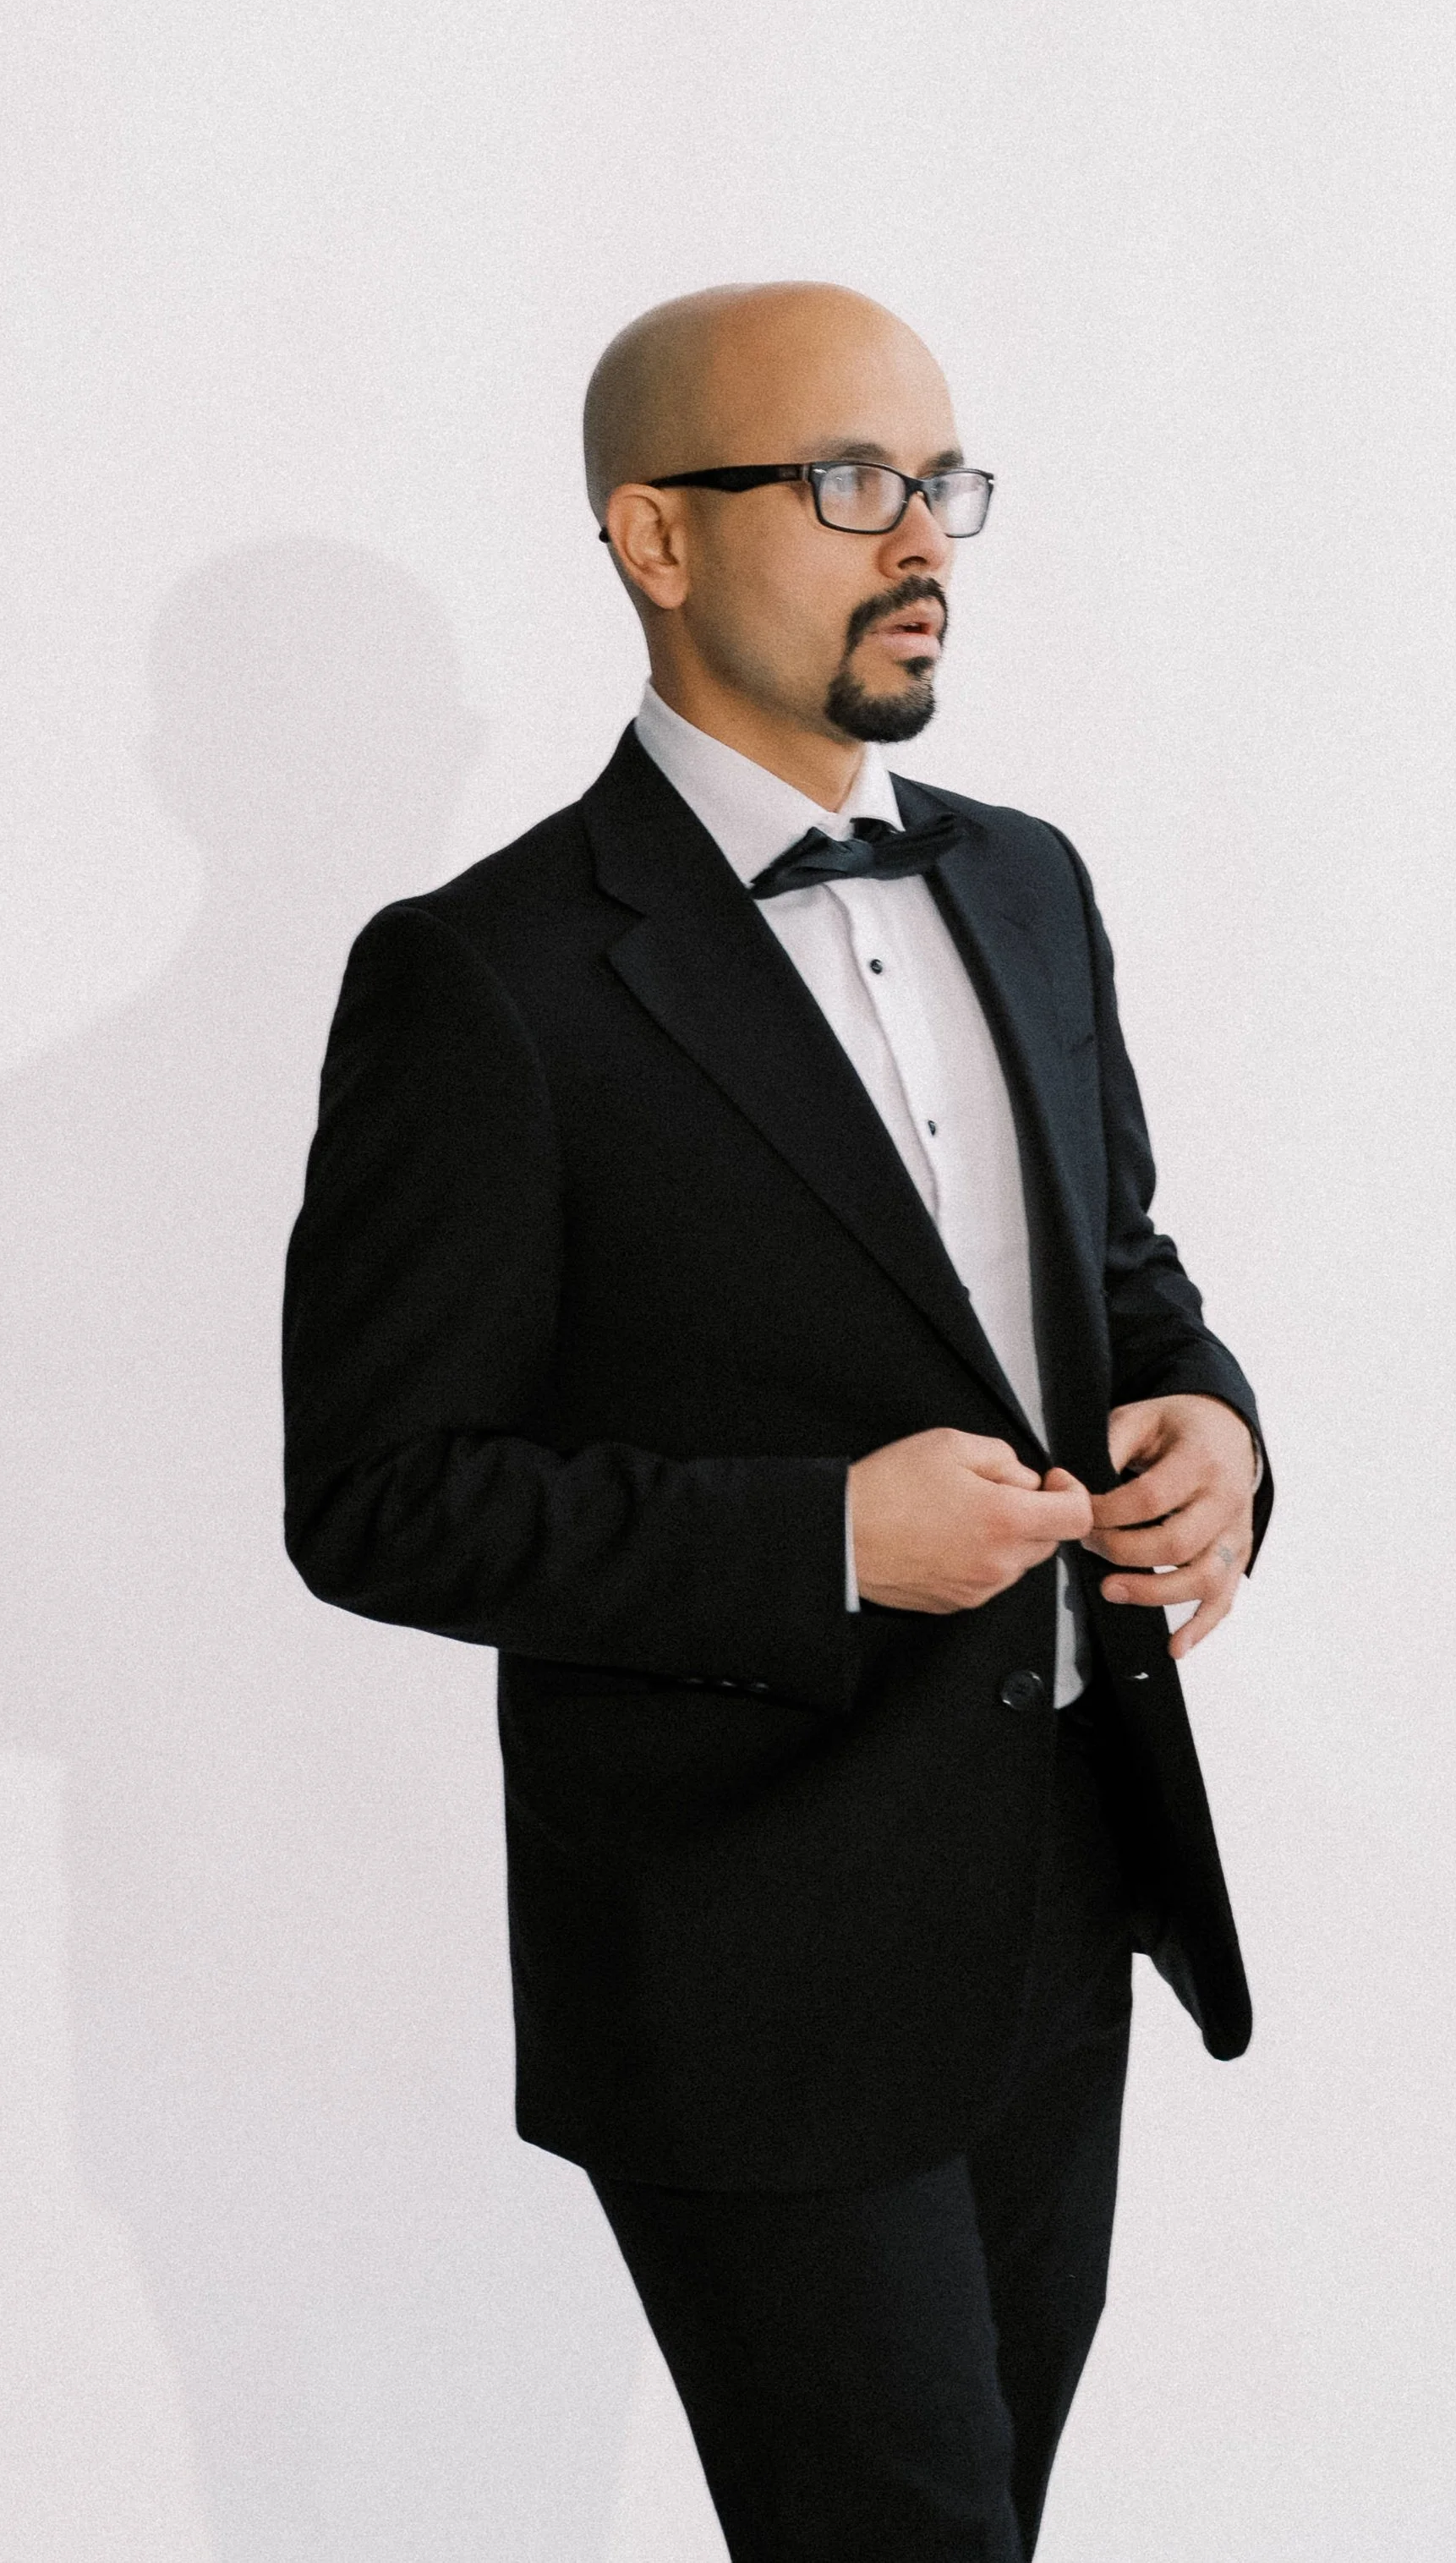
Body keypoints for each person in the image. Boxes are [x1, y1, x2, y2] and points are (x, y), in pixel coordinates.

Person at [282, 282, 1271, 2560]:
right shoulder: (487, 977)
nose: (913, 534)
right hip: (745, 1942)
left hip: (1060, 1885)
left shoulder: (1022, 880)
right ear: (651, 534)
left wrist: (1209, 1429)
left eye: (939, 484)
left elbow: (1114, 1282)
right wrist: (823, 1536)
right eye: (844, 485)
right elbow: (379, 1496)